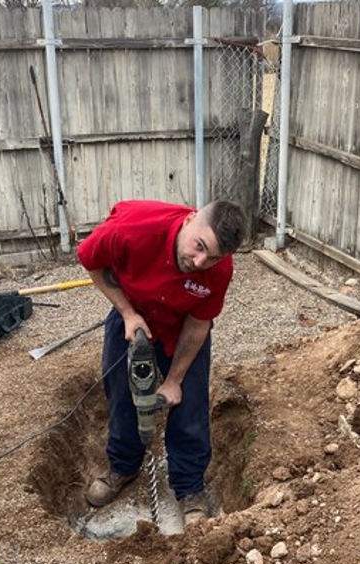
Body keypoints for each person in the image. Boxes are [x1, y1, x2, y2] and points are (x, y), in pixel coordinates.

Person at [76, 199, 245, 525]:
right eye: (199, 246)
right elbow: (90, 261)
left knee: (191, 401)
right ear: (191, 218)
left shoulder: (219, 269)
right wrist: (127, 314)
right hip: (132, 312)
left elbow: (198, 325)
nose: (199, 261)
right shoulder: (133, 229)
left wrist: (174, 381)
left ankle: (188, 486)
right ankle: (122, 466)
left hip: (180, 325)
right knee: (120, 389)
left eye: (211, 257)